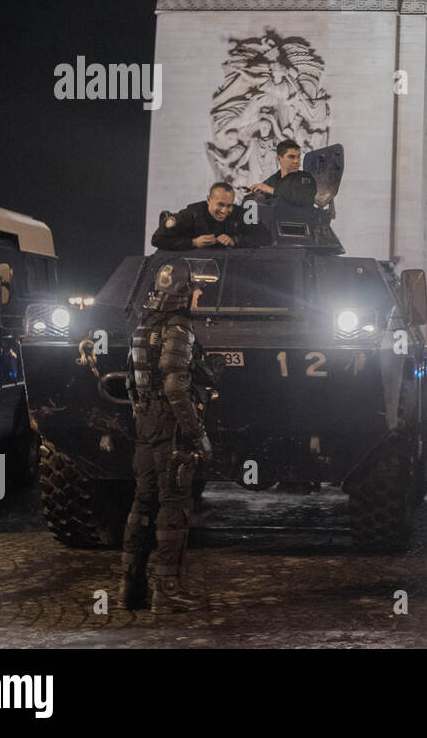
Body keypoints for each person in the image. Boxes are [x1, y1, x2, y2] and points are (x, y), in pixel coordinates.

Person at [120, 258, 216, 614]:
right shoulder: (178, 329)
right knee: (173, 506)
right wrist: (199, 435)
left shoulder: (142, 328)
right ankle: (169, 590)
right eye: (195, 288)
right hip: (171, 429)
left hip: (146, 425)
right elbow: (176, 388)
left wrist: (144, 416)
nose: (200, 293)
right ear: (182, 292)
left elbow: (131, 382)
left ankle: (131, 588)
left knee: (142, 504)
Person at [151, 182, 272, 251]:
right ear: (209, 200)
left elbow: (266, 238)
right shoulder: (190, 214)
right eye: (220, 204)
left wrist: (235, 241)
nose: (224, 211)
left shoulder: (241, 214)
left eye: (229, 205)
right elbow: (158, 239)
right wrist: (193, 242)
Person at [248, 138, 317, 208]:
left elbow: (303, 199)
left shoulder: (305, 177)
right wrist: (254, 193)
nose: (296, 161)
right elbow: (262, 190)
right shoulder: (274, 178)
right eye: (291, 157)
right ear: (279, 159)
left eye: (298, 157)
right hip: (273, 216)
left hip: (298, 217)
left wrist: (271, 190)